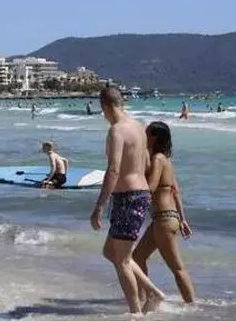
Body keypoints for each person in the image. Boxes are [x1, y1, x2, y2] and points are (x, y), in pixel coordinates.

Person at [90, 87, 165, 315]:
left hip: (128, 197)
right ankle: (153, 292)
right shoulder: (139, 127)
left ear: (105, 106)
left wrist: (99, 206)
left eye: (103, 110)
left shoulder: (117, 131)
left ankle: (135, 313)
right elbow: (146, 164)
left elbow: (113, 170)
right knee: (110, 252)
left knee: (121, 260)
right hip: (139, 195)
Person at [133, 121, 195, 305]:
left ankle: (192, 307)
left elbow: (151, 187)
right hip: (166, 218)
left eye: (146, 133)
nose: (143, 136)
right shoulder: (167, 160)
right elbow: (176, 192)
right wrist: (182, 219)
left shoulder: (158, 159)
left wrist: (131, 185)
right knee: (137, 257)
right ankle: (146, 297)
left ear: (154, 137)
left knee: (177, 267)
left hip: (164, 219)